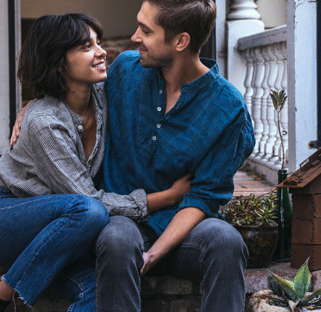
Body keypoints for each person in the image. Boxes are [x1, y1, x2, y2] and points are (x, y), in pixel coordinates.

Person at [0, 13, 191, 312]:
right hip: (5, 221)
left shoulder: (103, 92)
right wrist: (169, 197)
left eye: (98, 42)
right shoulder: (45, 122)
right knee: (89, 210)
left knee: (101, 289)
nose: (101, 52)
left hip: (61, 234)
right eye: (87, 46)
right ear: (59, 61)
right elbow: (87, 200)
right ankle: (1, 296)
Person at [94, 0, 255, 311]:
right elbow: (72, 98)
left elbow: (205, 195)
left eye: (146, 30)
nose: (134, 37)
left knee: (226, 241)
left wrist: (156, 252)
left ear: (181, 41)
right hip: (127, 221)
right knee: (116, 238)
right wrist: (31, 109)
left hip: (187, 232)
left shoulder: (227, 107)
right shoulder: (124, 70)